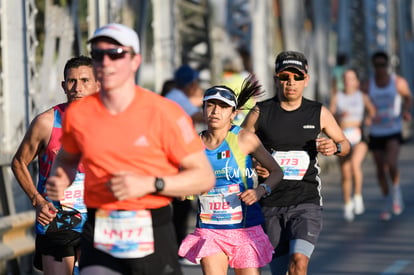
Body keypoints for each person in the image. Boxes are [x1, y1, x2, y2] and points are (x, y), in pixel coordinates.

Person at [44, 23, 215, 275]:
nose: (106, 61)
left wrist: (151, 184)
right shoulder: (79, 115)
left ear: (135, 60)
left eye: (115, 54)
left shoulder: (164, 112)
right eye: (98, 55)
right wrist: (61, 177)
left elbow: (203, 177)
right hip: (99, 226)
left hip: (151, 226)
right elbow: (67, 159)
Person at [242, 51, 351, 275]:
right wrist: (253, 162)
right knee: (281, 271)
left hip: (306, 202)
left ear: (306, 80)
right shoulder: (260, 112)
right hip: (270, 203)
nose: (291, 82)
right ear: (276, 79)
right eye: (285, 77)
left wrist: (335, 147)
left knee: (299, 263)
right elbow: (238, 148)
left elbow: (344, 143)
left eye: (297, 77)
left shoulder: (317, 112)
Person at [179, 76, 284, 275]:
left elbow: (277, 172)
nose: (216, 111)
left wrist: (260, 191)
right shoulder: (192, 144)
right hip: (209, 229)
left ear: (233, 113)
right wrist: (184, 190)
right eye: (211, 105)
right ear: (203, 109)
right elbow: (183, 191)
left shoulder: (244, 139)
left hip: (245, 229)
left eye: (223, 106)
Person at [11, 56, 100, 275]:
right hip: (56, 221)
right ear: (63, 85)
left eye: (85, 81)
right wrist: (37, 200)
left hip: (98, 221)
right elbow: (19, 162)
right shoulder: (47, 122)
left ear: (97, 84)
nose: (77, 88)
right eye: (71, 81)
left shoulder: (110, 124)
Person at [362, 50, 412, 221]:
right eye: (376, 65)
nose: (380, 69)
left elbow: (408, 97)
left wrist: (405, 111)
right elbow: (358, 98)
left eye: (382, 65)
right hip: (376, 132)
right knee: (380, 169)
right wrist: (366, 115)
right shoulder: (368, 85)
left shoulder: (397, 82)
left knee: (390, 162)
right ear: (373, 66)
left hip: (393, 129)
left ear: (387, 66)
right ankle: (386, 200)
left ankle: (396, 192)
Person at [329, 68, 376, 222]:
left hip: (358, 136)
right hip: (343, 137)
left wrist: (368, 119)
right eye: (346, 78)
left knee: (355, 165)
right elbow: (330, 115)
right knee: (346, 173)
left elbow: (372, 111)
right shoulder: (338, 96)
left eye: (352, 78)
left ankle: (357, 196)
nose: (349, 81)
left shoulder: (362, 96)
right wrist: (338, 116)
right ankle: (347, 203)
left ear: (356, 81)